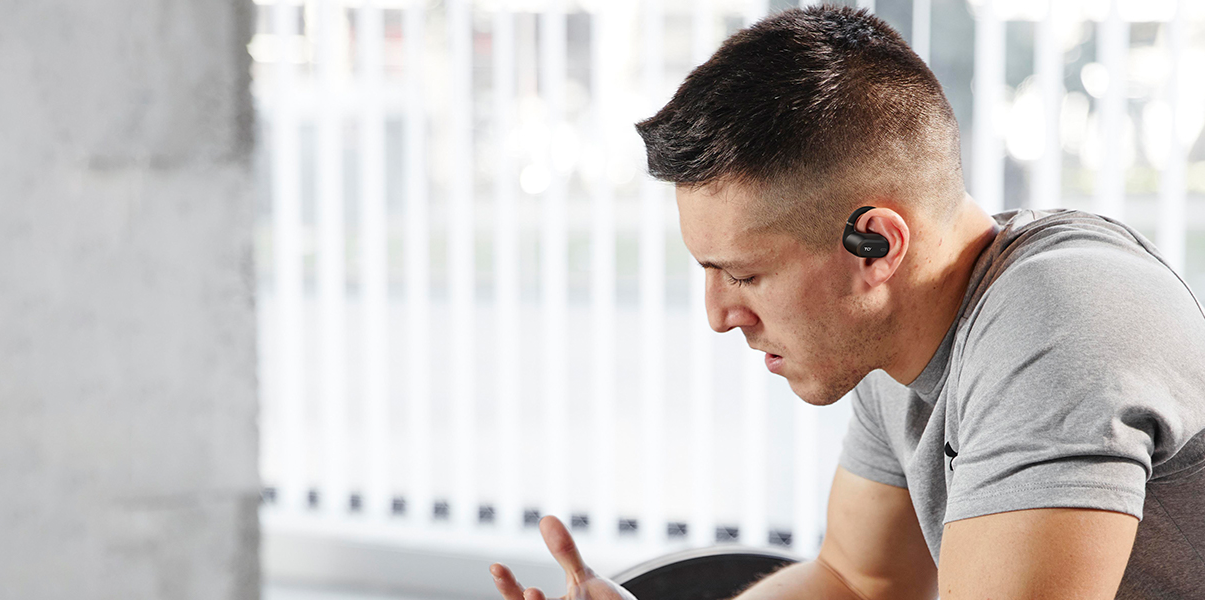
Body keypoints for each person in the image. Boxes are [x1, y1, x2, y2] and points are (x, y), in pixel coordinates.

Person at [487, 6, 1205, 600]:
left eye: (743, 275)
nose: (718, 314)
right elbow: (858, 580)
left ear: (877, 247)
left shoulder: (1056, 327)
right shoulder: (900, 330)